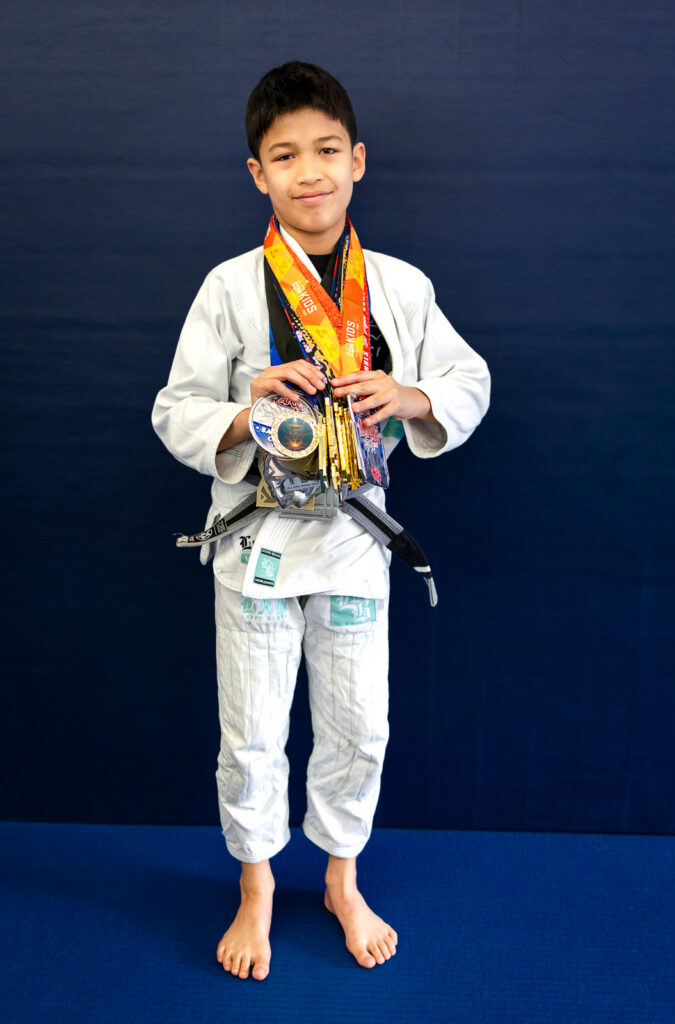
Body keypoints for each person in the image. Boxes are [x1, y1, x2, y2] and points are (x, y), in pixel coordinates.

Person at [152, 61, 490, 981]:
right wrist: (242, 407)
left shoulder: (397, 286)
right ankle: (256, 881)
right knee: (252, 729)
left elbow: (469, 382)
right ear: (257, 174)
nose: (310, 172)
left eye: (327, 151)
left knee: (357, 727)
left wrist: (410, 392)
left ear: (359, 162)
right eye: (285, 156)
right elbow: (173, 407)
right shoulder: (228, 286)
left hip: (350, 542)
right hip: (257, 545)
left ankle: (341, 875)